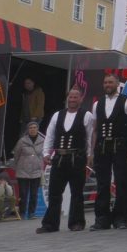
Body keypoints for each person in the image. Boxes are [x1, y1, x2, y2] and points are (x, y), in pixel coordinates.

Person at [37, 89, 94, 233]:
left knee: (77, 193)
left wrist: (89, 155)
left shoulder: (86, 115)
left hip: (77, 159)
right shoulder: (58, 115)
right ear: (67, 98)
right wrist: (45, 153)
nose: (73, 99)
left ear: (81, 99)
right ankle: (50, 224)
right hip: (59, 158)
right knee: (54, 192)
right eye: (70, 96)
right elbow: (50, 135)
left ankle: (77, 222)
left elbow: (90, 138)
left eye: (76, 97)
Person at [91, 74, 127, 231]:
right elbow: (95, 129)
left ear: (117, 84)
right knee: (102, 183)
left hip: (121, 146)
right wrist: (91, 151)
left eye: (110, 82)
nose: (107, 84)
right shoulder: (97, 104)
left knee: (122, 183)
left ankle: (121, 217)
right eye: (105, 82)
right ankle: (102, 218)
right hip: (102, 147)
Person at [13, 121, 44, 219]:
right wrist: (18, 166)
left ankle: (32, 213)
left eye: (35, 127)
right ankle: (22, 213)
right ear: (28, 129)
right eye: (31, 128)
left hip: (36, 171)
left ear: (37, 129)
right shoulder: (22, 141)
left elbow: (44, 154)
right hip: (23, 171)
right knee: (23, 193)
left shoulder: (43, 140)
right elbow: (16, 155)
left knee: (34, 194)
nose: (33, 129)